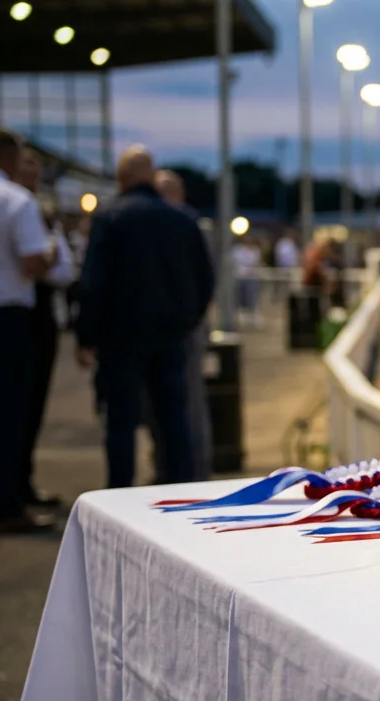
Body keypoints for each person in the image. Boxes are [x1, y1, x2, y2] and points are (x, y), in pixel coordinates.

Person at [76, 145, 214, 488]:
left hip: (120, 337)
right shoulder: (182, 219)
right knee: (173, 417)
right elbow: (205, 278)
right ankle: (182, 488)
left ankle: (120, 493)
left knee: (121, 421)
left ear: (121, 178)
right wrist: (188, 321)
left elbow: (94, 282)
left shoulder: (110, 217)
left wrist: (86, 335)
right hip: (171, 333)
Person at [0, 129, 55, 533]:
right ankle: (7, 506)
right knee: (7, 414)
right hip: (4, 315)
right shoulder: (15, 199)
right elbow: (32, 263)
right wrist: (50, 256)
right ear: (10, 159)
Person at [14, 148, 76, 508]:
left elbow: (64, 268)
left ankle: (18, 482)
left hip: (36, 314)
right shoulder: (22, 209)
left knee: (28, 406)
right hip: (25, 313)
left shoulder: (39, 211)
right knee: (13, 407)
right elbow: (53, 265)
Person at [154, 169, 214, 480]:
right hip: (173, 326)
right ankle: (172, 467)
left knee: (188, 401)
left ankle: (193, 470)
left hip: (184, 327)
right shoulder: (182, 225)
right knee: (168, 405)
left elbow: (205, 279)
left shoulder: (189, 225)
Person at [232, 234, 263, 329]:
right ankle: (242, 318)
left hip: (252, 278)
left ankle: (252, 317)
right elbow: (235, 263)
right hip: (240, 278)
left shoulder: (255, 251)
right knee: (241, 298)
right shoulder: (236, 250)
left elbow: (256, 263)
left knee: (252, 298)